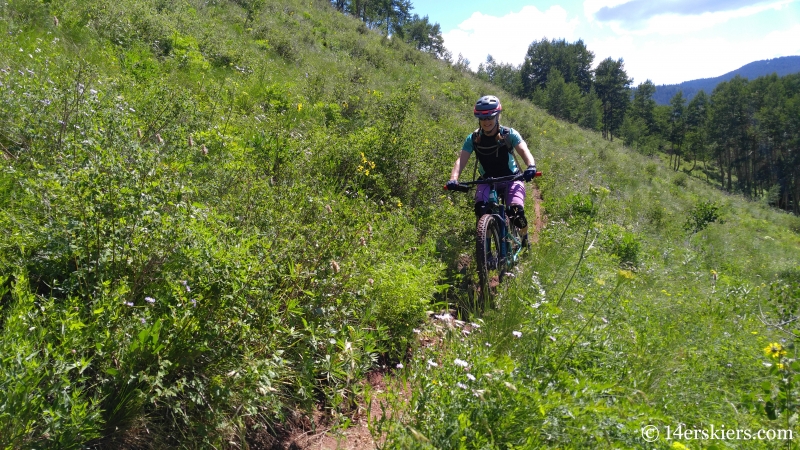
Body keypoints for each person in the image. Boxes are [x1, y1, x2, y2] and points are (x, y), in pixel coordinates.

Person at [446, 95, 537, 243]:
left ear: (497, 116)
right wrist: (453, 178)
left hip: (512, 178)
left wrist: (531, 166)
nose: (486, 121)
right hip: (487, 180)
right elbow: (461, 161)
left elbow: (524, 151)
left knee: (517, 214)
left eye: (490, 117)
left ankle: (524, 237)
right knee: (482, 210)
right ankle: (485, 251)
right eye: (483, 118)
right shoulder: (473, 138)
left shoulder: (509, 134)